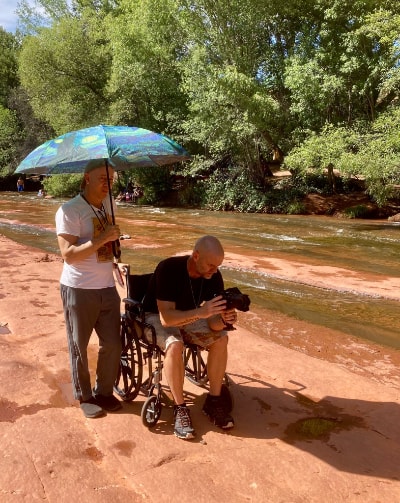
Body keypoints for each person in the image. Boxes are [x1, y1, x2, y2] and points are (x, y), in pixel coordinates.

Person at [143, 235, 238, 440]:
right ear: (195, 256)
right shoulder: (169, 269)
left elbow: (213, 324)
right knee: (175, 344)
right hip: (156, 316)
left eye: (218, 266)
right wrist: (201, 313)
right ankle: (180, 408)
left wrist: (225, 319)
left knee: (221, 338)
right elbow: (167, 319)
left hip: (191, 314)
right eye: (211, 265)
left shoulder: (213, 276)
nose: (214, 270)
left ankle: (213, 401)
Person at [55, 159, 122, 419]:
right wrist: (102, 238)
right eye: (103, 179)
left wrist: (116, 254)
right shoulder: (69, 210)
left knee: (113, 344)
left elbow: (106, 245)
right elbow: (68, 254)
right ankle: (85, 395)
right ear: (86, 179)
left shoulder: (109, 205)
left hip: (106, 285)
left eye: (111, 179)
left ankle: (104, 392)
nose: (108, 184)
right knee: (78, 346)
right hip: (79, 287)